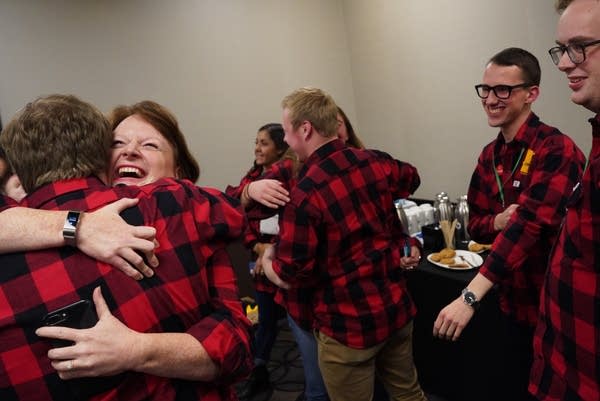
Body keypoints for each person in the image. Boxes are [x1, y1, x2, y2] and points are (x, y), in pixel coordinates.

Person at [0, 94, 253, 400]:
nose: (130, 151)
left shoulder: (190, 214)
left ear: (178, 172)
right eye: (117, 144)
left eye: (150, 145)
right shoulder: (33, 225)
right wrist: (79, 226)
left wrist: (137, 350)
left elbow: (238, 345)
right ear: (98, 158)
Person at [432, 48, 585, 400]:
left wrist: (469, 297)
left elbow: (529, 227)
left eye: (503, 90)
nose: (490, 99)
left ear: (531, 94)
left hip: (556, 306)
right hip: (511, 302)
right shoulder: (490, 155)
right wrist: (497, 220)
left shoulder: (555, 149)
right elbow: (477, 226)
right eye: (485, 89)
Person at [261, 87, 425, 401]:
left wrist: (268, 262)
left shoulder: (305, 195)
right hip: (394, 308)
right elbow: (411, 178)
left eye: (286, 132)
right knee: (409, 394)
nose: (286, 140)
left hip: (347, 327)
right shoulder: (374, 162)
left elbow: (291, 273)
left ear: (305, 129)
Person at [528, 1, 600, 400]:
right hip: (561, 367)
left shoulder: (556, 147)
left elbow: (530, 224)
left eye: (580, 46)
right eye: (561, 49)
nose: (563, 63)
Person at [224, 123, 291, 398]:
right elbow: (234, 210)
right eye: (256, 142)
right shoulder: (253, 177)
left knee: (300, 325)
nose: (257, 148)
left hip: (285, 258)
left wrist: (271, 249)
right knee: (265, 320)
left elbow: (292, 222)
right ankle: (260, 371)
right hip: (259, 257)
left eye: (264, 143)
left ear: (280, 147)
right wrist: (257, 246)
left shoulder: (289, 176)